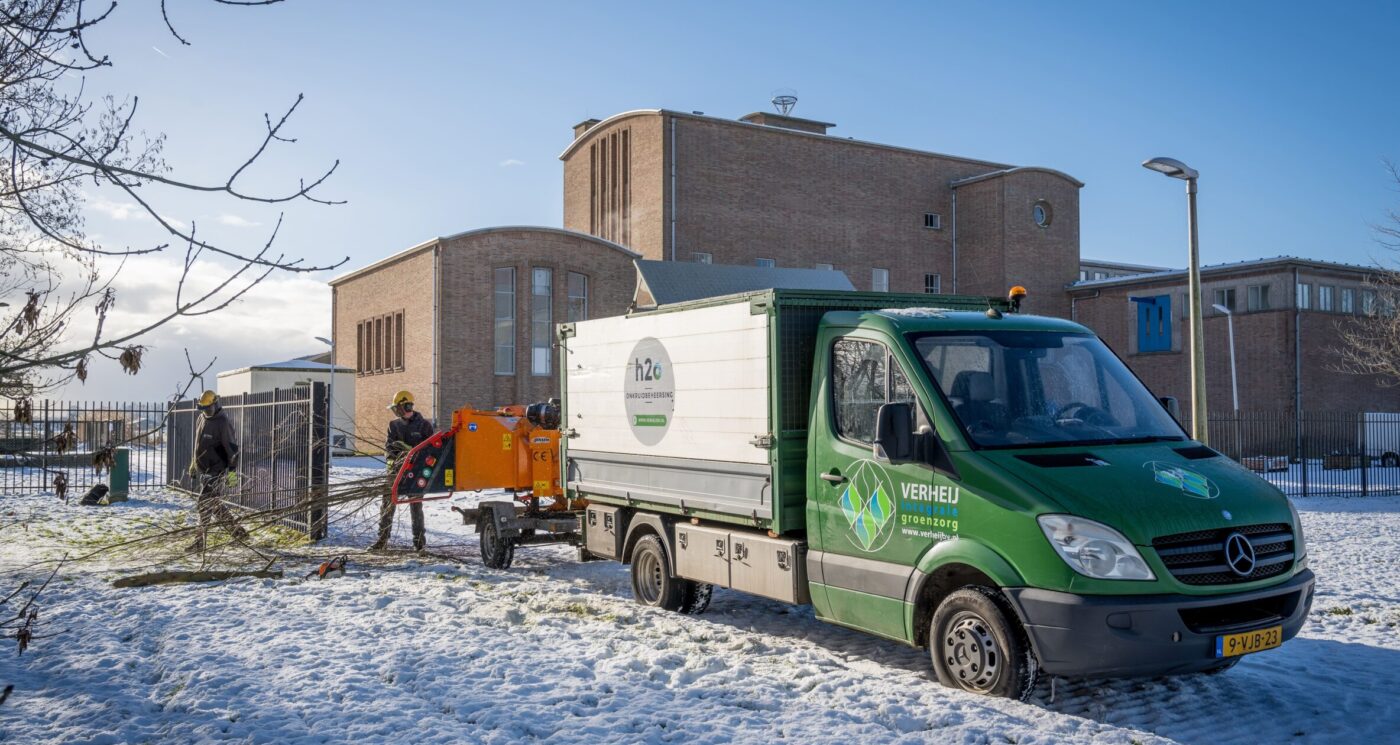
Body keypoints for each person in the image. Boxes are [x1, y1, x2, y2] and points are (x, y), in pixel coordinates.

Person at [371, 390, 434, 551]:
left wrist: (415, 456)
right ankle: (382, 540)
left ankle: (419, 543)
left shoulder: (424, 426)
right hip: (397, 472)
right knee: (388, 503)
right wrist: (396, 462)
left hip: (417, 473)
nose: (396, 411)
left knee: (416, 505)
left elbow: (431, 450)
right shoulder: (394, 425)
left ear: (407, 406)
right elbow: (389, 449)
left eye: (398, 407)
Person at [187, 390, 248, 552]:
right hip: (204, 469)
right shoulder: (201, 418)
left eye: (208, 408)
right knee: (214, 504)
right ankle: (237, 532)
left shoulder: (223, 422)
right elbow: (197, 443)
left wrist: (232, 473)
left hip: (217, 469)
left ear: (215, 404)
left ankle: (200, 540)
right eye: (203, 408)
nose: (206, 411)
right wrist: (194, 463)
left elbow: (233, 449)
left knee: (203, 502)